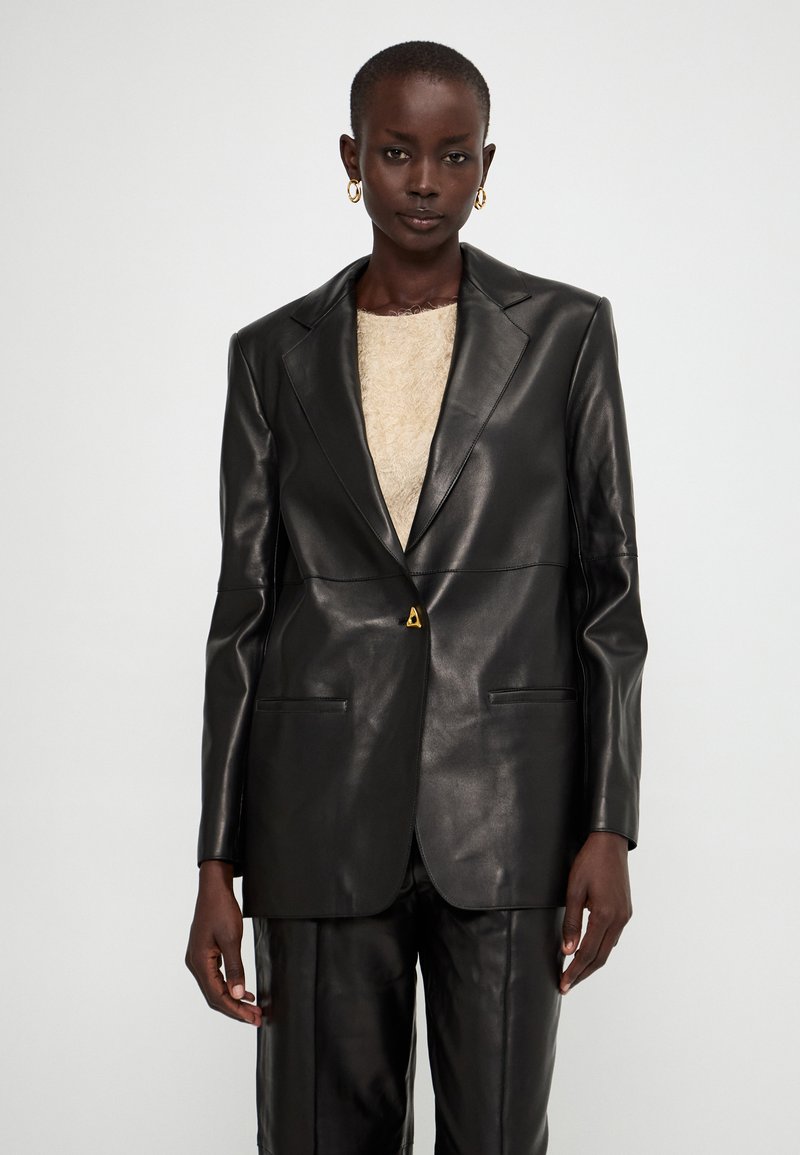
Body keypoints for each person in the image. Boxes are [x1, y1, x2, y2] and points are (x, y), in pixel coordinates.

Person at [186, 40, 648, 1155]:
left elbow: (608, 596)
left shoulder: (565, 336)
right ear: (353, 160)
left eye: (453, 155)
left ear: (487, 166)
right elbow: (243, 611)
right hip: (316, 815)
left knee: (498, 1135)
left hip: (508, 813)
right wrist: (215, 861)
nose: (425, 182)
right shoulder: (271, 357)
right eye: (397, 154)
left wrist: (608, 823)